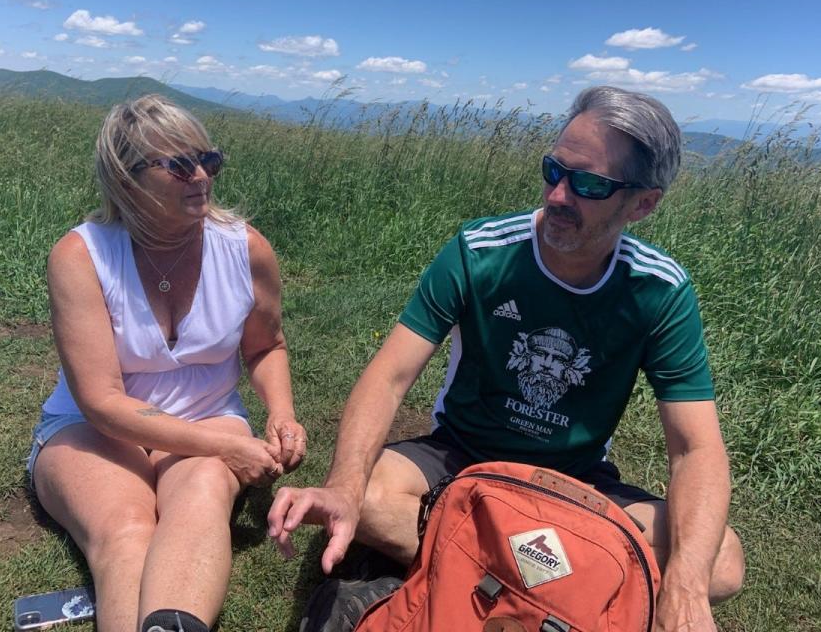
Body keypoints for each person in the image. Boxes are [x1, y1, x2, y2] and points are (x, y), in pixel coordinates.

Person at [268, 86, 744, 632]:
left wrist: (685, 585)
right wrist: (344, 489)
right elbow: (390, 376)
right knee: (369, 497)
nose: (559, 195)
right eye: (553, 170)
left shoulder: (659, 291)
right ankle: (561, 591)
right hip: (458, 458)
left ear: (642, 203)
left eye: (589, 184)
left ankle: (437, 576)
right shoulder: (481, 251)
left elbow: (695, 447)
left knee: (720, 562)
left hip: (574, 480)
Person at [28, 95, 306, 632]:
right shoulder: (81, 256)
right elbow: (103, 402)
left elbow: (265, 346)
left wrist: (281, 412)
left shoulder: (246, 249)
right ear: (126, 179)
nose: (202, 175)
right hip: (95, 428)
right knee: (128, 529)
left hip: (207, 412)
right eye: (180, 165)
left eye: (210, 160)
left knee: (201, 496)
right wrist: (226, 445)